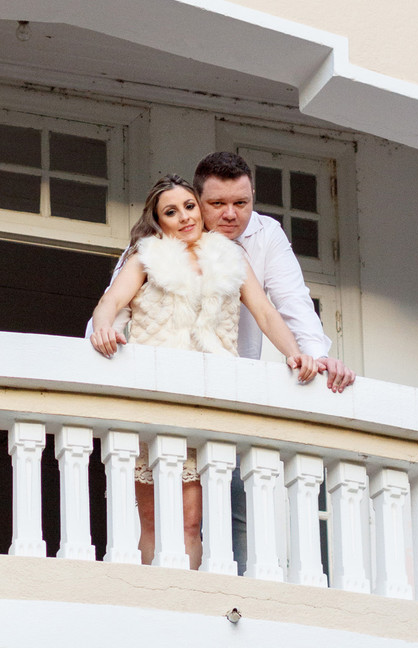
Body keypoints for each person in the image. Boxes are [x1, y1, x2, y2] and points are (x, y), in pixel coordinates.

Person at [90, 175, 317, 569]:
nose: (184, 217)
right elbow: (110, 301)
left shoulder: (229, 256)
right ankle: (158, 600)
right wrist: (103, 329)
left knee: (191, 521)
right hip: (157, 392)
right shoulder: (145, 257)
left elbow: (265, 312)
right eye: (171, 212)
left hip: (208, 394)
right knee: (154, 521)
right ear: (158, 221)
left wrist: (296, 353)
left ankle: (186, 596)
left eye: (189, 206)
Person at [193, 152, 355, 393]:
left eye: (241, 203)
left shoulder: (266, 233)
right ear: (197, 200)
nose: (230, 214)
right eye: (217, 204)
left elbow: (291, 301)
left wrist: (316, 355)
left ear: (252, 198)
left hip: (238, 378)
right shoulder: (169, 228)